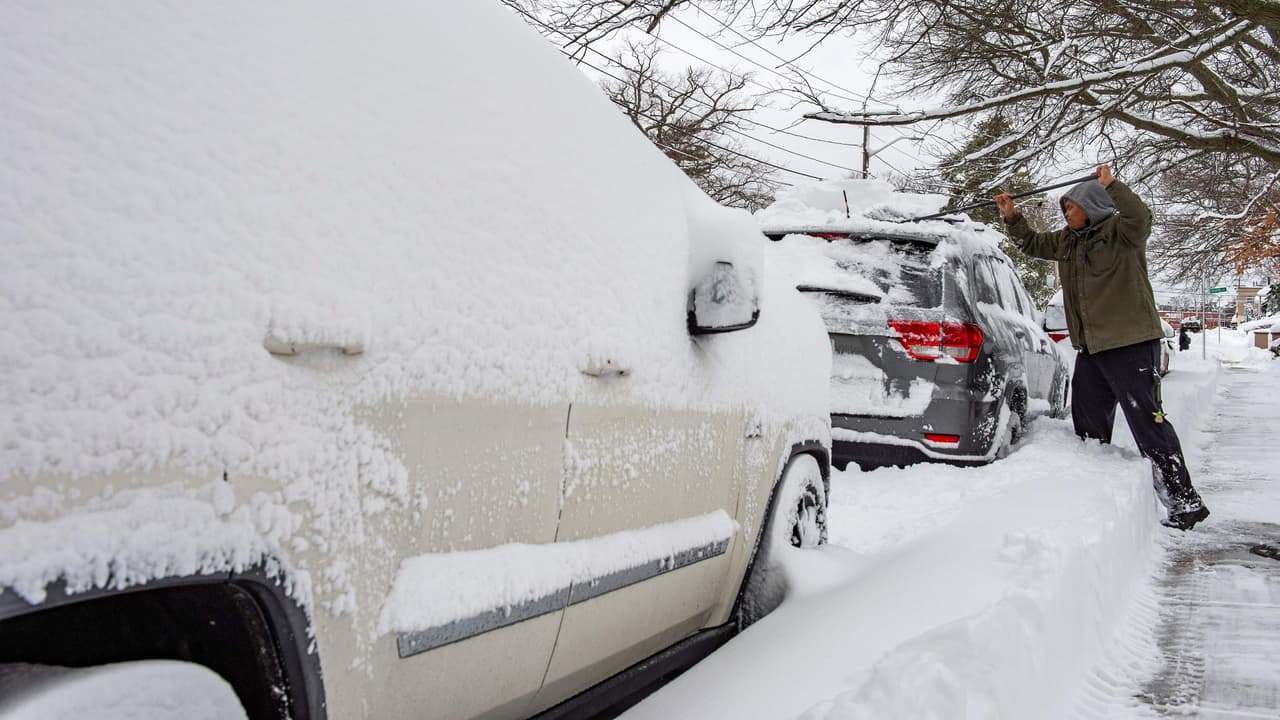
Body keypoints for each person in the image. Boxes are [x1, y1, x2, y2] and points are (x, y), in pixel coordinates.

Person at [993, 165, 1209, 531]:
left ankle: (1183, 502)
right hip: (1092, 349)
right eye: (1064, 209)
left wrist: (1112, 185)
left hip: (1131, 344)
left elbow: (1141, 216)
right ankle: (1096, 493)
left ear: (1091, 206)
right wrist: (1012, 216)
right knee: (1088, 419)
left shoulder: (1122, 233)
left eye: (1071, 208)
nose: (1066, 214)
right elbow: (1032, 243)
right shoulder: (1068, 241)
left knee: (1147, 421)